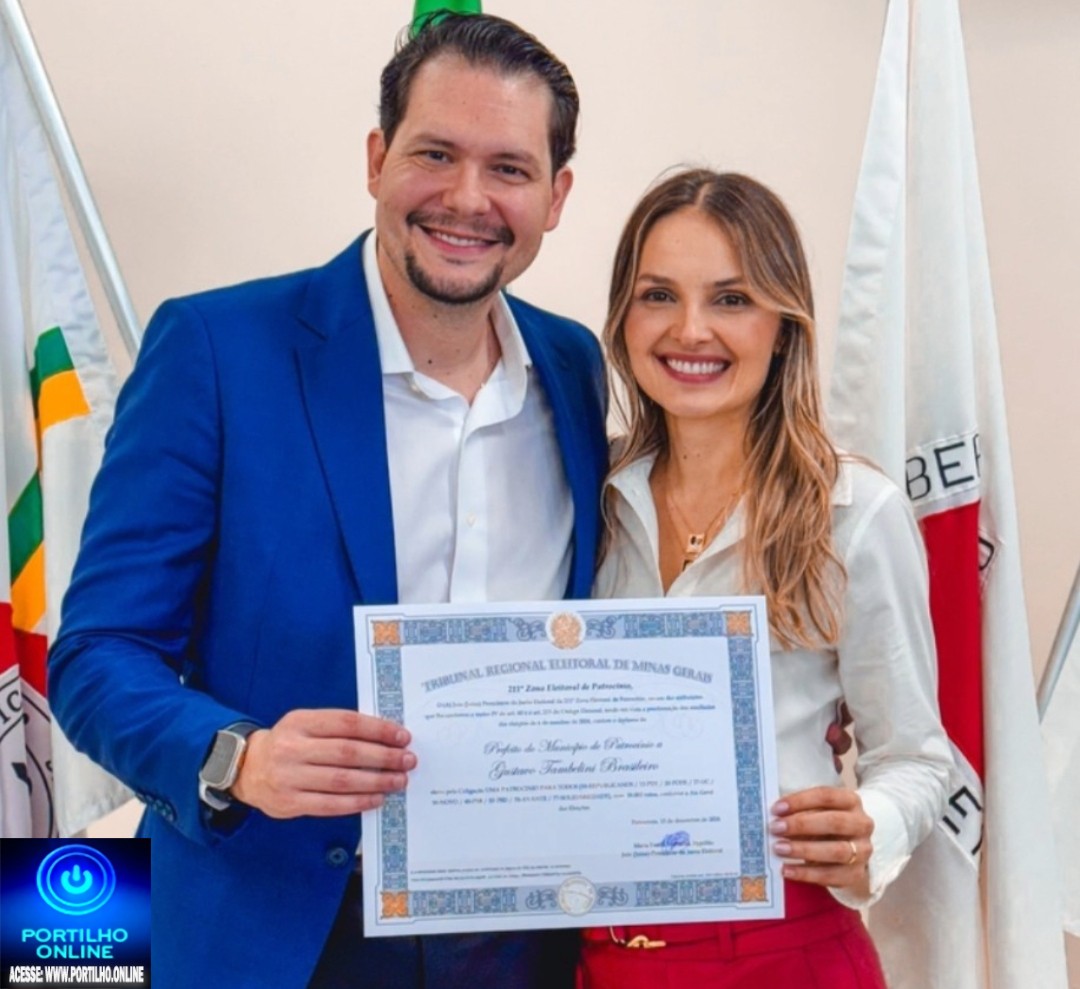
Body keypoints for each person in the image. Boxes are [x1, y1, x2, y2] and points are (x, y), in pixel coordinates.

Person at [48, 13, 607, 989]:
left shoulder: (576, 367)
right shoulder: (217, 351)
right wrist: (238, 756)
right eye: (435, 153)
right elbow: (97, 656)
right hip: (277, 935)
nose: (468, 199)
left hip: (523, 939)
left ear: (556, 196)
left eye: (509, 168)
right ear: (377, 158)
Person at [578, 169, 953, 987]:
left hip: (785, 952)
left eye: (733, 298)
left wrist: (868, 821)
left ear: (784, 325)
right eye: (657, 295)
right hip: (599, 954)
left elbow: (920, 759)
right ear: (622, 320)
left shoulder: (853, 511)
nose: (691, 329)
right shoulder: (585, 495)